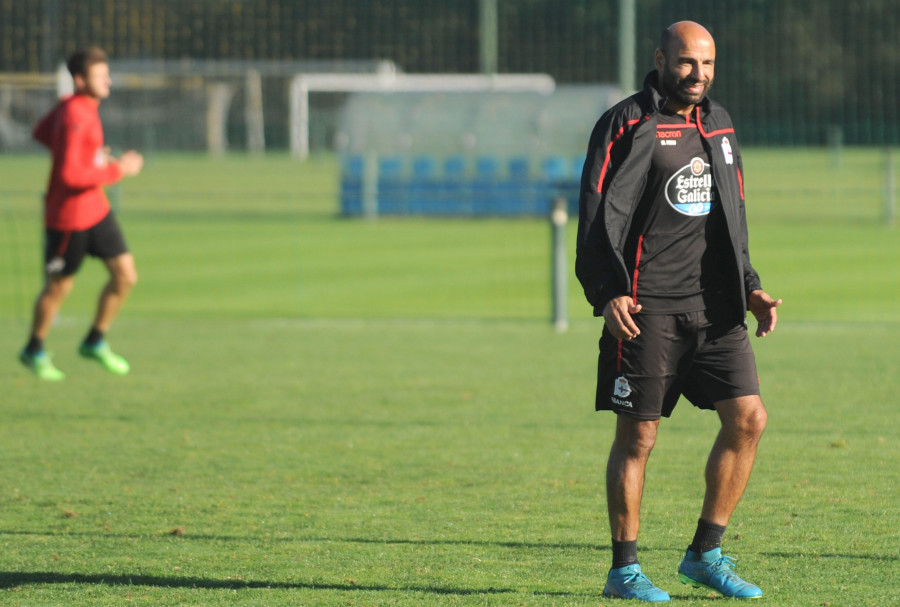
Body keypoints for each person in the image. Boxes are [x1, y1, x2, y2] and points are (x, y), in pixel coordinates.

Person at [576, 21, 782, 602]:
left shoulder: (719, 124)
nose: (700, 75)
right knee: (639, 438)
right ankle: (625, 571)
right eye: (688, 63)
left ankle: (705, 554)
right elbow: (594, 214)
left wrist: (750, 287)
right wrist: (605, 291)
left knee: (749, 420)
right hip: (645, 309)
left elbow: (733, 214)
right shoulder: (625, 122)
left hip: (715, 310)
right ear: (661, 59)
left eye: (709, 64)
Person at [19, 47, 144, 381]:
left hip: (96, 211)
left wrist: (88, 156)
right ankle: (34, 349)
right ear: (79, 80)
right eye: (101, 76)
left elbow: (41, 133)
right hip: (67, 219)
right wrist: (119, 169)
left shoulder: (77, 107)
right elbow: (70, 177)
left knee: (126, 276)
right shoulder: (75, 114)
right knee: (58, 289)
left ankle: (94, 341)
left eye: (107, 74)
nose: (108, 81)